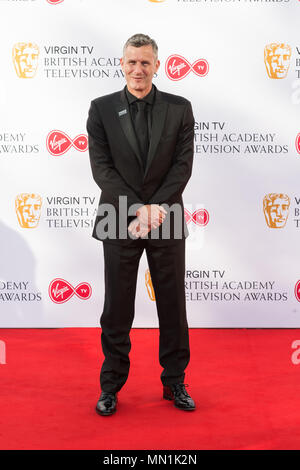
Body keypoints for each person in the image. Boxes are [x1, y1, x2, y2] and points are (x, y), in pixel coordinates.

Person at [86, 33, 195, 416]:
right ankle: (110, 385)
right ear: (122, 63)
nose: (138, 69)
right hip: (118, 216)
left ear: (157, 65)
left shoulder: (180, 108)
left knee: (172, 304)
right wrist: (138, 208)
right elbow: (102, 169)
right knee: (117, 305)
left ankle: (175, 382)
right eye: (132, 62)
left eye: (145, 62)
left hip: (165, 216)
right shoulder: (100, 109)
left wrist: (155, 209)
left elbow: (182, 167)